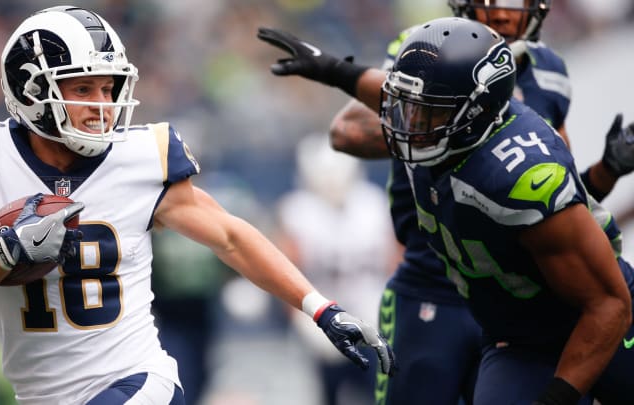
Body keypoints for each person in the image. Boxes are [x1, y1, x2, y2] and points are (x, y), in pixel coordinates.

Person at [0, 6, 395, 405]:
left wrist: (321, 309)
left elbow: (231, 236)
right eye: (83, 88)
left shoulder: (141, 157)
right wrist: (3, 255)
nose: (102, 104)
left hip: (137, 381)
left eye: (108, 89)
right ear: (30, 90)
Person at [257, 2, 634, 404]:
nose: (407, 123)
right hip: (512, 332)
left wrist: (554, 397)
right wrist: (334, 70)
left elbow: (608, 303)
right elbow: (393, 97)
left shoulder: (521, 178)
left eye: (425, 114)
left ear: (472, 114)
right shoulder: (442, 115)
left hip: (581, 317)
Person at [276, 133, 399, 405]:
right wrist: (302, 318)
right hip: (323, 314)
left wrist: (388, 309)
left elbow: (395, 264)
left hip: (370, 307)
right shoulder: (297, 210)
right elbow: (285, 269)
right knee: (328, 392)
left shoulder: (372, 203)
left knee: (378, 391)